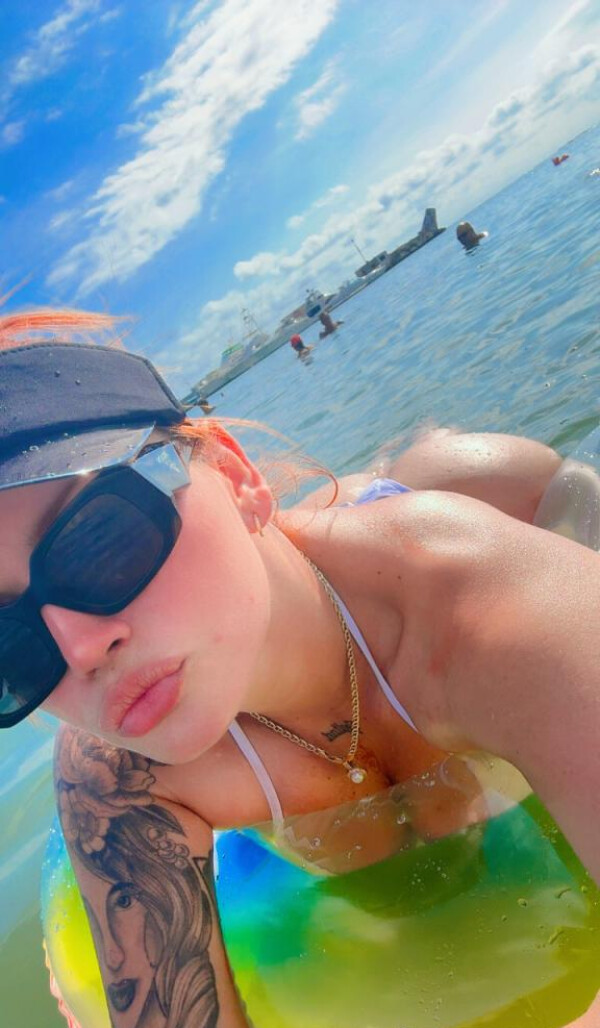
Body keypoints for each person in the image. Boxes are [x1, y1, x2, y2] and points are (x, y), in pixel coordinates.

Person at [2, 308, 600, 1028]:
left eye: (97, 540)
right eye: (7, 639)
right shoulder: (116, 779)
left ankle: (416, 462)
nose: (78, 650)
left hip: (418, 553)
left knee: (506, 476)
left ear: (235, 474)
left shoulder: (488, 606)